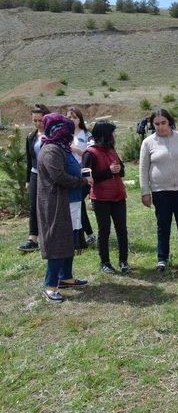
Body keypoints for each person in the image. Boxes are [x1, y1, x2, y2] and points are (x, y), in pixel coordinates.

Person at [139, 108, 178, 272]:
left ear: (170, 122)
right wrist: (145, 191)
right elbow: (143, 168)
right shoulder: (148, 142)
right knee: (163, 224)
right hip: (161, 191)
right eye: (156, 124)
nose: (160, 127)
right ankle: (162, 258)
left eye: (163, 123)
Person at [37, 113, 91, 303]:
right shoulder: (51, 150)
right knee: (57, 241)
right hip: (55, 203)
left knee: (70, 237)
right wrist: (83, 180)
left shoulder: (62, 147)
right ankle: (51, 285)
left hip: (69, 200)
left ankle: (66, 277)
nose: (70, 133)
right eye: (67, 129)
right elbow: (59, 177)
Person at [82, 121, 129, 274]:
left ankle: (123, 261)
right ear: (105, 135)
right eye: (112, 133)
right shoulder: (90, 153)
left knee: (122, 229)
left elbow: (122, 172)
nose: (115, 135)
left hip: (118, 196)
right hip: (101, 198)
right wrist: (109, 171)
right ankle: (105, 263)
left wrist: (118, 169)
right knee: (104, 230)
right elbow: (87, 177)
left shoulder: (111, 149)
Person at [19, 104, 50, 252]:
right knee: (33, 206)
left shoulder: (52, 135)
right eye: (35, 121)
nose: (38, 123)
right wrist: (27, 180)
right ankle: (33, 239)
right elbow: (29, 159)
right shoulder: (31, 137)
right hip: (35, 174)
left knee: (49, 206)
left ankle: (50, 236)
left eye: (41, 120)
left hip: (50, 176)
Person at [68, 106, 95, 247]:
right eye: (69, 117)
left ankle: (86, 235)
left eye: (74, 117)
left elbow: (91, 153)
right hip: (69, 174)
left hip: (83, 174)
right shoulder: (65, 134)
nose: (72, 120)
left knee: (79, 203)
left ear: (80, 119)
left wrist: (75, 149)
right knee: (78, 204)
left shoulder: (86, 134)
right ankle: (87, 234)